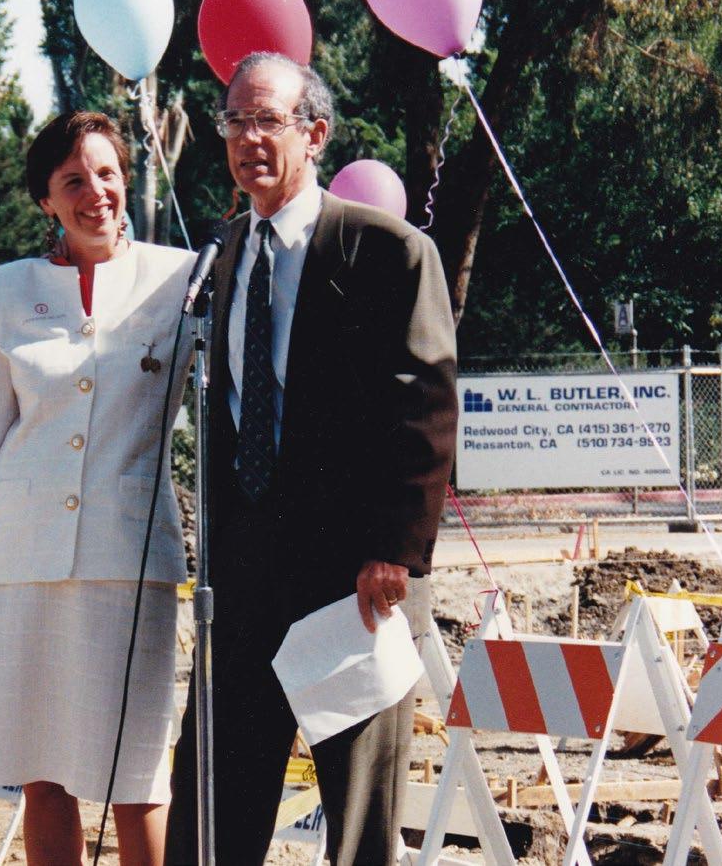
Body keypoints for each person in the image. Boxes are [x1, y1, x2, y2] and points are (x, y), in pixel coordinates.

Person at [165, 53, 458, 866]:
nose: (247, 138)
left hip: (351, 580)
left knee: (357, 814)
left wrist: (394, 550)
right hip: (243, 576)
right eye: (234, 120)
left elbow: (424, 405)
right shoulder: (221, 254)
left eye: (268, 119)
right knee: (213, 801)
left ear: (315, 134)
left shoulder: (386, 251)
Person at [0, 110, 194, 866]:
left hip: (130, 559)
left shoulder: (182, 278)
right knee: (42, 773)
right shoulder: (1, 291)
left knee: (139, 775)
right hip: (18, 564)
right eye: (73, 181)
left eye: (107, 173)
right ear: (45, 200)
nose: (96, 193)